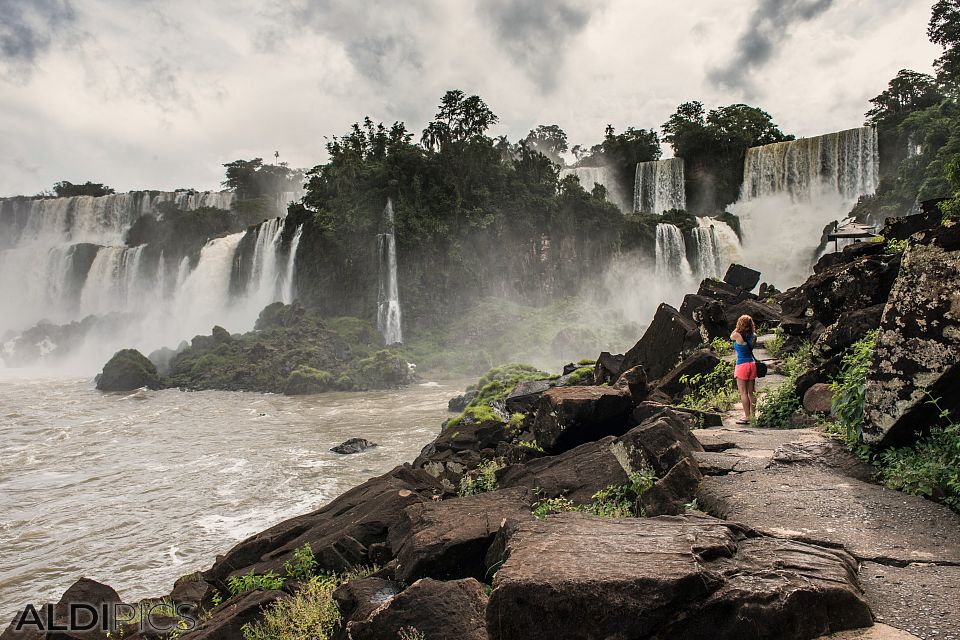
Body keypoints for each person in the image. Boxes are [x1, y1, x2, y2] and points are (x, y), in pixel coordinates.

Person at [731, 314, 757, 425]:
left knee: (743, 393)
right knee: (751, 392)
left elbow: (731, 335)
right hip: (752, 364)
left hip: (742, 365)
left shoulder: (737, 335)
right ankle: (753, 415)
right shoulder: (754, 336)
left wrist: (738, 328)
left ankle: (747, 417)